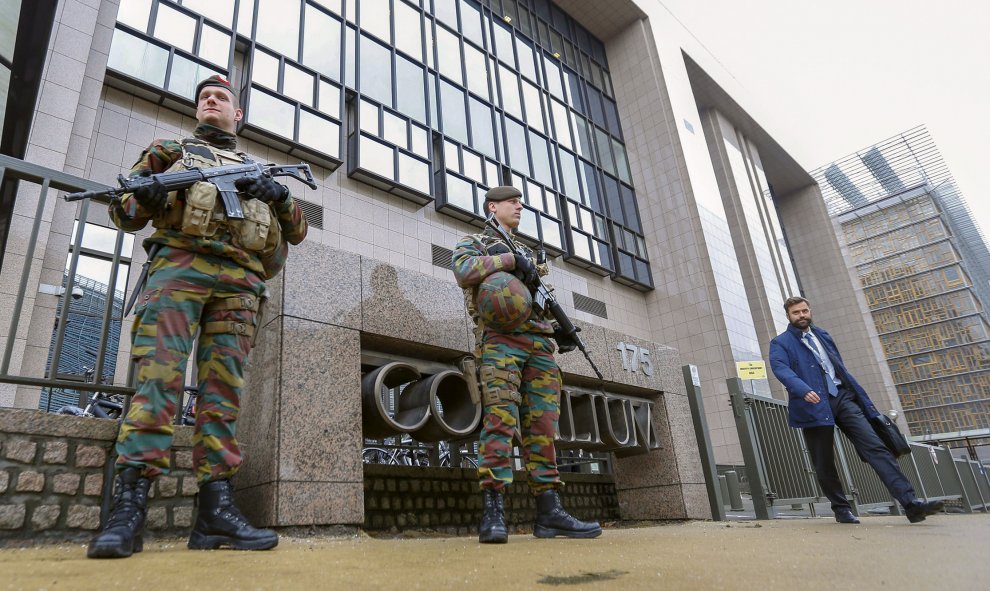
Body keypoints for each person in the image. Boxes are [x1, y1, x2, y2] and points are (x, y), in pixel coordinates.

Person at [87, 75, 308, 558]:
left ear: (238, 114)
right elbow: (122, 213)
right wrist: (143, 197)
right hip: (179, 266)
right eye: (204, 96)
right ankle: (128, 509)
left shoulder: (257, 167)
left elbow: (297, 231)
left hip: (242, 283)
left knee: (223, 392)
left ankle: (215, 512)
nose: (211, 99)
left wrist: (278, 194)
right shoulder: (168, 150)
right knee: (158, 381)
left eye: (221, 97)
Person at [451, 186, 602, 543]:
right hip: (501, 341)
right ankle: (493, 510)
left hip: (538, 344)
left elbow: (535, 302)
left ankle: (549, 513)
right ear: (493, 207)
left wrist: (558, 329)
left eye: (520, 202)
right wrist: (508, 261)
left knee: (543, 426)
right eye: (511, 202)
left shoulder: (527, 253)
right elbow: (463, 271)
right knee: (500, 419)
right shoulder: (477, 242)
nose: (519, 206)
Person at [768, 296, 943, 524]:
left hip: (842, 397)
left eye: (804, 311)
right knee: (824, 461)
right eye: (796, 313)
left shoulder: (823, 335)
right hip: (812, 403)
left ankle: (911, 504)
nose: (802, 316)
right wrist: (802, 389)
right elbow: (780, 368)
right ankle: (841, 509)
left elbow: (837, 367)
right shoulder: (780, 343)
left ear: (810, 311)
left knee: (876, 447)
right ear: (788, 316)